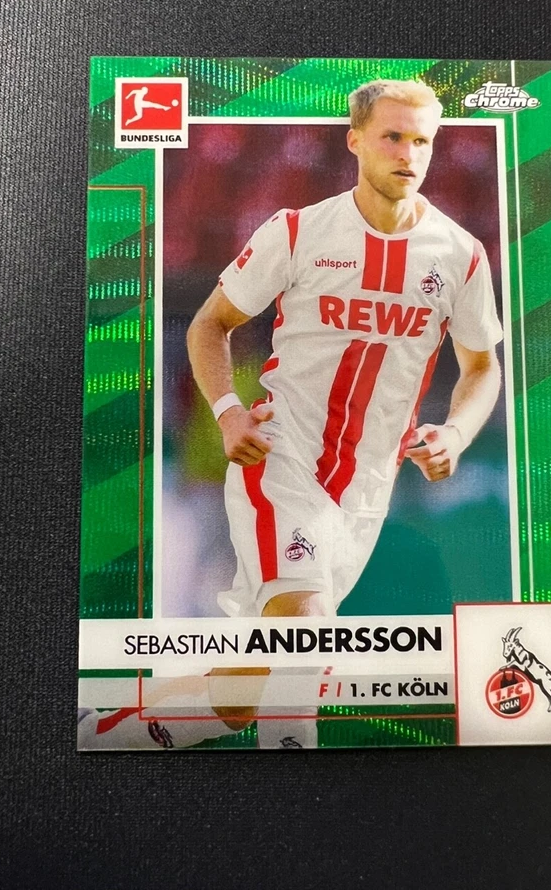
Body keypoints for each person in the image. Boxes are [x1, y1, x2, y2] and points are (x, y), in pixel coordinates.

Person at [78, 79, 503, 751]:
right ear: (355, 140)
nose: (408, 154)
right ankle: (299, 800)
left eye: (422, 141)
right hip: (282, 459)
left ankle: (105, 736)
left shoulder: (460, 254)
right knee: (307, 638)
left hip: (365, 490)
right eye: (393, 136)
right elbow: (210, 325)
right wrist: (227, 411)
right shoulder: (299, 231)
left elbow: (482, 367)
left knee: (244, 693)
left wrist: (456, 430)